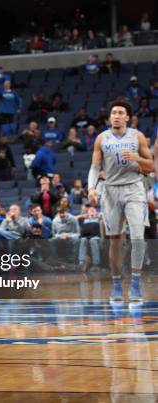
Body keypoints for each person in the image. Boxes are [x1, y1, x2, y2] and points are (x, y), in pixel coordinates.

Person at [87, 100, 153, 303]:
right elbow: (95, 168)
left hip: (134, 189)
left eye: (120, 112)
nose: (116, 115)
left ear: (127, 117)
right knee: (115, 240)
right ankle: (116, 283)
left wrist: (137, 158)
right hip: (111, 191)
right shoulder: (101, 138)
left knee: (137, 237)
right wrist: (91, 188)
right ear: (109, 117)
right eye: (113, 112)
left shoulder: (137, 136)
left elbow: (150, 165)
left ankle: (135, 282)